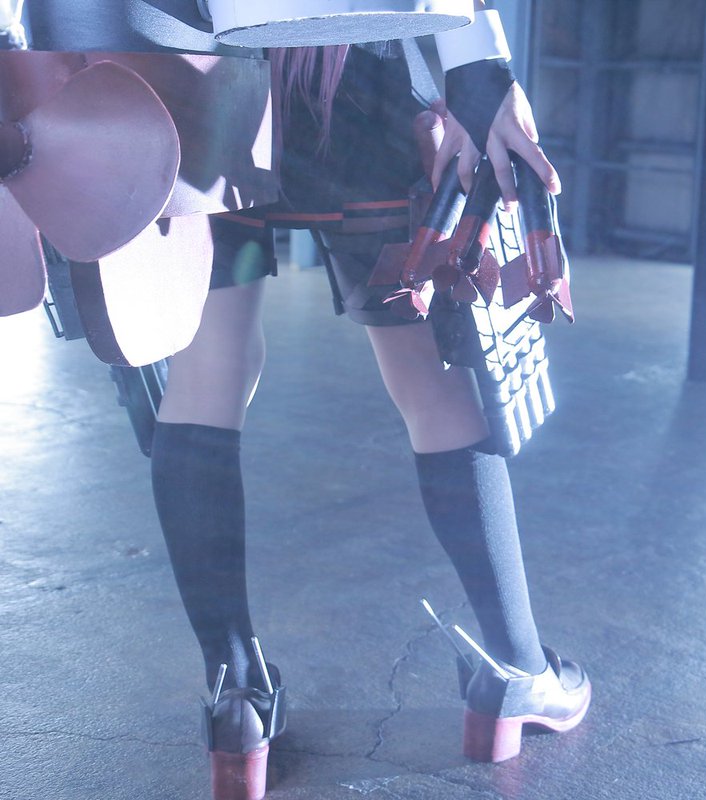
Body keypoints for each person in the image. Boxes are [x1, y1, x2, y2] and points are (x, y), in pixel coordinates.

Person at [25, 2, 590, 798]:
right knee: (429, 380)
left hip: (183, 61)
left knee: (208, 370)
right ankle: (515, 668)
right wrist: (476, 56)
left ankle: (237, 697)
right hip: (350, 51)